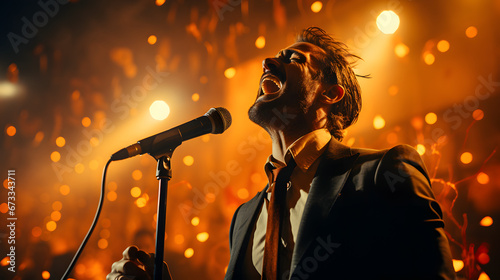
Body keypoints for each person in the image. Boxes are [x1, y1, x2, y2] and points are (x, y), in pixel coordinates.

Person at [107, 27, 455, 280]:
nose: (268, 62)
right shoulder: (244, 216)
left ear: (330, 94)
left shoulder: (383, 171)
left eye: (293, 58)